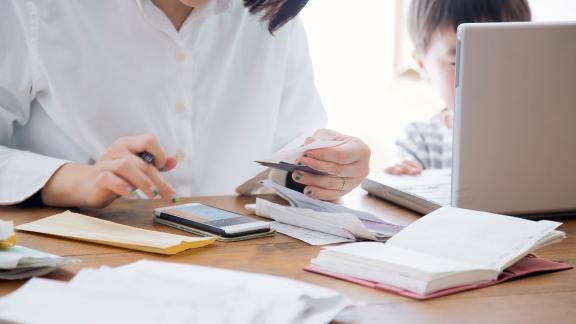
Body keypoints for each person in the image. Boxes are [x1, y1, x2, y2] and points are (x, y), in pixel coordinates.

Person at [0, 0, 371, 208]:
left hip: (236, 265)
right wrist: (73, 179)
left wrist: (326, 167)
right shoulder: (33, 8)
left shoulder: (272, 12)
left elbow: (290, 146)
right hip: (76, 261)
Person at [386, 0, 531, 176]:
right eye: (458, 62)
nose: (484, 74)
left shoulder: (538, 132)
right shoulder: (419, 141)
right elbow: (399, 188)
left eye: (503, 56)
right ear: (422, 65)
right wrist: (400, 176)